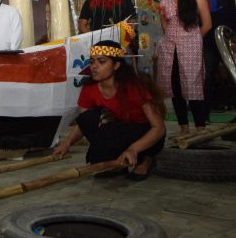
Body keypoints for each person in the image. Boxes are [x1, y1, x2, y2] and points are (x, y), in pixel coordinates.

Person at [53, 41, 166, 180]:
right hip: (118, 130)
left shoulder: (135, 87)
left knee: (134, 138)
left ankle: (146, 160)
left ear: (116, 65)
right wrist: (67, 143)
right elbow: (84, 124)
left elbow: (158, 128)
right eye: (92, 61)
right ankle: (118, 162)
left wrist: (133, 149)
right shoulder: (89, 88)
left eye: (101, 62)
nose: (94, 66)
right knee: (87, 117)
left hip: (144, 133)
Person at [156, 0, 212, 135]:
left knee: (193, 85)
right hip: (170, 48)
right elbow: (164, 26)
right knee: (175, 87)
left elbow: (207, 24)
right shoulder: (164, 1)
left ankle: (200, 127)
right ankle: (184, 127)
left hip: (191, 48)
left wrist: (193, 40)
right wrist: (172, 39)